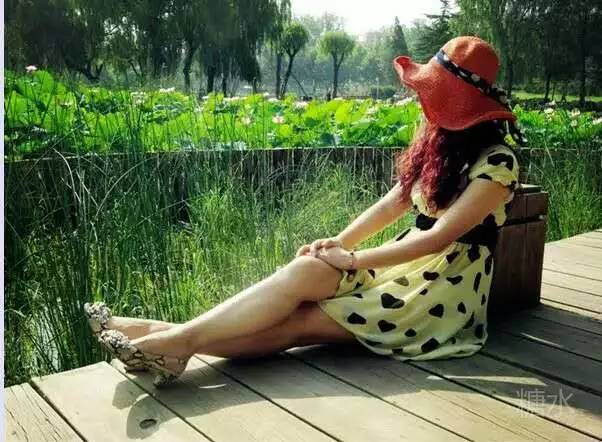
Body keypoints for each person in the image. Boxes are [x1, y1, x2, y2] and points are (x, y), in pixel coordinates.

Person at [85, 36, 524, 387]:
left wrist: (352, 260)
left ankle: (164, 337)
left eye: (435, 96)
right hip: (400, 268)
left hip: (438, 294)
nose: (424, 104)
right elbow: (392, 204)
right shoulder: (439, 146)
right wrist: (335, 245)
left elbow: (438, 238)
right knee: (305, 270)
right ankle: (174, 342)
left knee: (298, 324)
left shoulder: (498, 162)